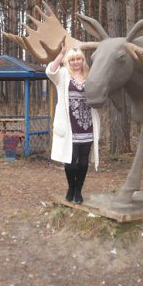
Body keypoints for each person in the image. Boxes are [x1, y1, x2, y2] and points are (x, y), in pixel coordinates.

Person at [46, 42, 100, 204]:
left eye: (79, 59)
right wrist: (61, 54)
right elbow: (50, 71)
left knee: (84, 160)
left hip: (87, 124)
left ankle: (78, 191)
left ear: (83, 61)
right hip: (70, 126)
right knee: (70, 160)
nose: (76, 62)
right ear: (68, 62)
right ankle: (71, 187)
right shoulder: (63, 75)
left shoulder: (91, 75)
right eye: (73, 60)